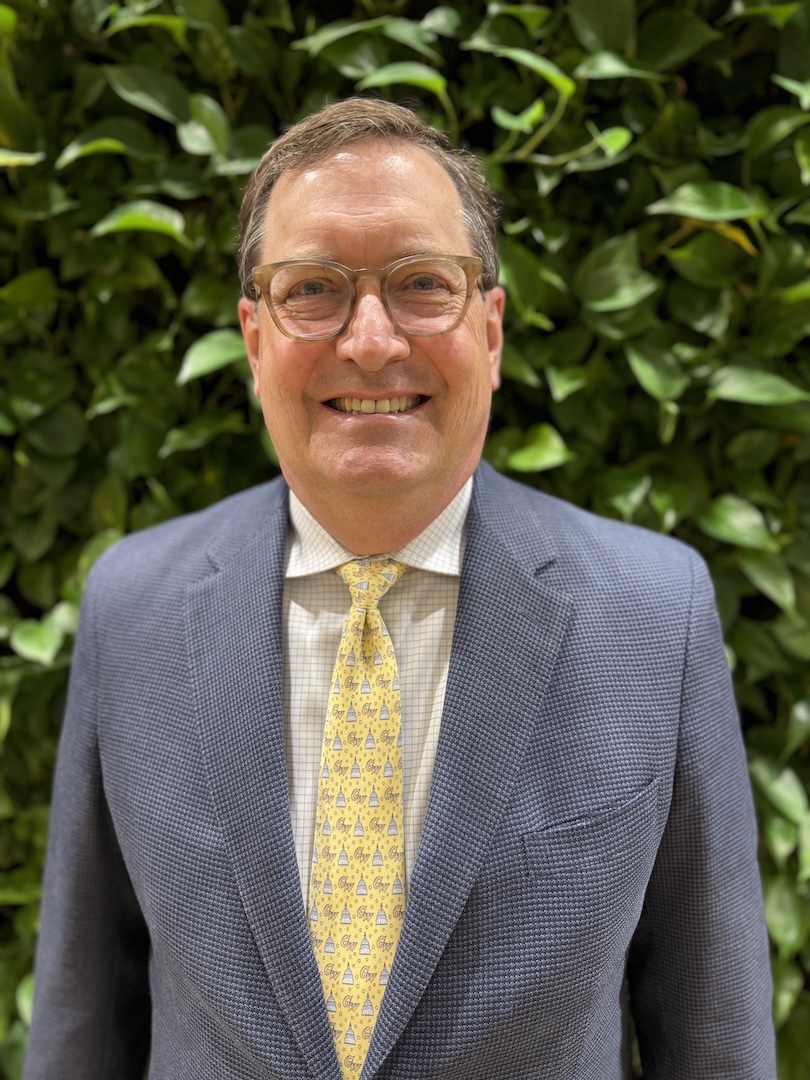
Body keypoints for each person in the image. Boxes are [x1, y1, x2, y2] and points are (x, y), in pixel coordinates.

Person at [24, 98, 775, 1080]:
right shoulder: (134, 608)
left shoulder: (651, 614)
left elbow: (714, 1038)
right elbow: (85, 1023)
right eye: (314, 290)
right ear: (253, 340)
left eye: (423, 284)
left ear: (492, 330)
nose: (371, 341)